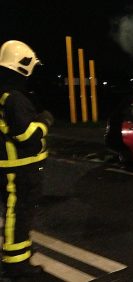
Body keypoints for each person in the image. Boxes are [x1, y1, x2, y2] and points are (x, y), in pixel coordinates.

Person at [0, 40, 53, 279]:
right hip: (19, 170)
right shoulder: (14, 98)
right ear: (23, 65)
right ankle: (17, 264)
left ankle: (19, 251)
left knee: (17, 214)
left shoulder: (4, 94)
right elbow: (26, 135)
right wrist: (44, 122)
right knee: (19, 215)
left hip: (12, 168)